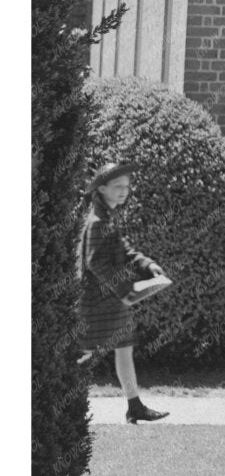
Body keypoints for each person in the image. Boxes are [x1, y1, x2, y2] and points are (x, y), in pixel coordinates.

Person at [78, 158, 172, 424]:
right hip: (96, 301)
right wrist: (122, 290)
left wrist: (148, 266)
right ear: (102, 189)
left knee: (123, 347)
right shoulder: (98, 221)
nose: (123, 191)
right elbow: (95, 263)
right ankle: (58, 406)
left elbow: (127, 251)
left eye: (127, 186)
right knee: (83, 354)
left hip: (113, 299)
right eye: (117, 186)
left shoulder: (108, 217)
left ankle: (135, 407)